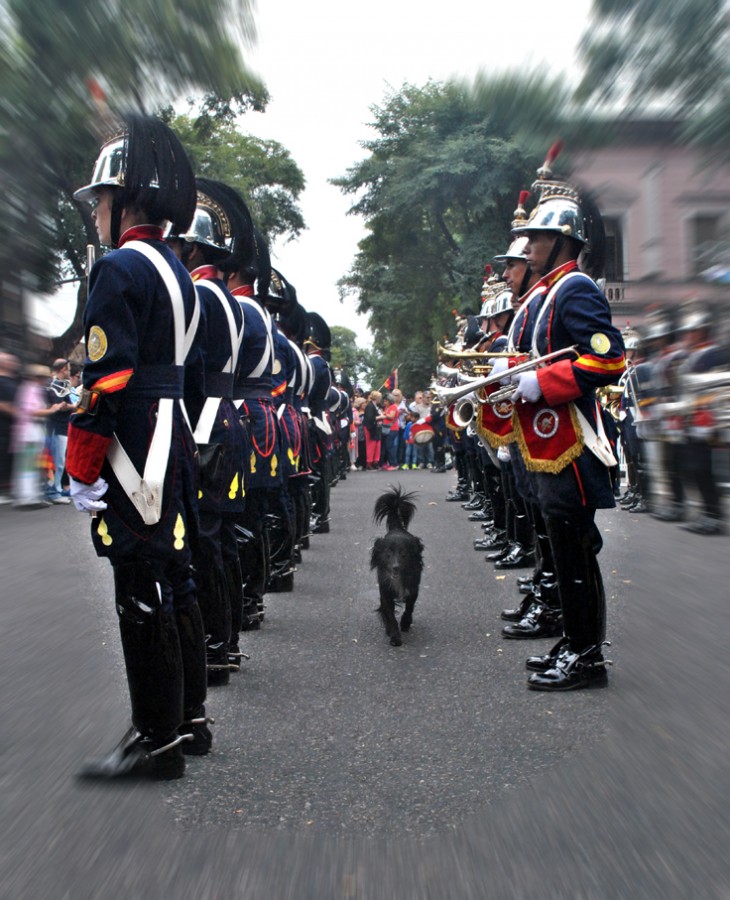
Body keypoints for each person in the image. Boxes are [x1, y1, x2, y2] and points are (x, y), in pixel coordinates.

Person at [68, 114, 209, 778]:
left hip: (134, 444)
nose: (95, 212)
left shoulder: (120, 267)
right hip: (172, 434)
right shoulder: (178, 271)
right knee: (176, 578)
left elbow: (106, 381)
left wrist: (81, 466)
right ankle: (187, 719)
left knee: (140, 585)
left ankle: (156, 738)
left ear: (125, 200)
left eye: (100, 199)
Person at [507, 145, 626, 691]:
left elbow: (608, 356)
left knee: (575, 549)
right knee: (562, 546)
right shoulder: (547, 292)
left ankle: (587, 656)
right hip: (550, 441)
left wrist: (542, 384)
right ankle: (575, 641)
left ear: (560, 241)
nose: (527, 245)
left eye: (535, 237)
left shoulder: (575, 288)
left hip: (572, 442)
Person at [166, 177, 250, 682]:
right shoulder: (221, 295)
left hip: (205, 423)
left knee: (209, 542)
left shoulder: (201, 293)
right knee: (217, 539)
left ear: (191, 246)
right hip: (222, 418)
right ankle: (226, 636)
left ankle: (218, 640)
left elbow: (193, 367)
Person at [45, 358, 76, 503]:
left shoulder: (63, 385)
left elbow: (66, 404)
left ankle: (57, 489)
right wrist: (74, 405)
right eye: (68, 369)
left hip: (63, 427)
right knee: (58, 461)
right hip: (57, 427)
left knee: (61, 461)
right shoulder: (54, 385)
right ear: (63, 369)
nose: (69, 371)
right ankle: (54, 491)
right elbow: (61, 405)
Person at [0, 352, 20, 503]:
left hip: (12, 427)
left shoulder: (12, 381)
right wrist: (19, 413)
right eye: (9, 361)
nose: (13, 363)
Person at [362, 390, 384, 469]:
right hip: (370, 428)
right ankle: (369, 462)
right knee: (371, 445)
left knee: (377, 445)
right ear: (377, 398)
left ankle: (375, 461)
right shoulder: (370, 406)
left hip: (376, 427)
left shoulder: (375, 406)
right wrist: (380, 417)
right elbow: (369, 418)